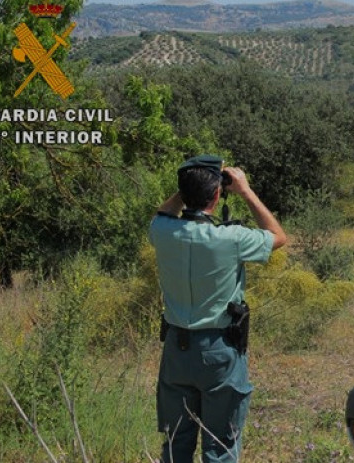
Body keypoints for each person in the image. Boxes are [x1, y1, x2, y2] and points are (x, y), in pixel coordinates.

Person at [148, 155, 286, 463]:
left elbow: (164, 212)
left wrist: (188, 187)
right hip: (219, 351)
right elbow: (278, 236)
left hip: (176, 350)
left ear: (184, 195)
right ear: (217, 195)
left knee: (175, 442)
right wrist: (246, 191)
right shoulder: (231, 238)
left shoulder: (162, 231)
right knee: (220, 446)